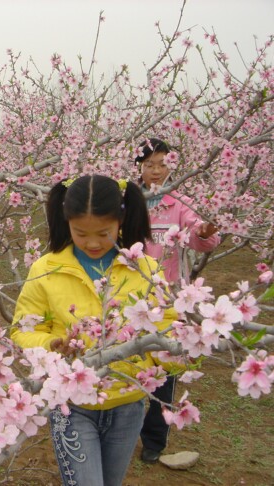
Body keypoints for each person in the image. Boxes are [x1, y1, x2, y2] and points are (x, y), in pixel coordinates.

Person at [11, 175, 176, 486]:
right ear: (66, 222)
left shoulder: (145, 269)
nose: (93, 243)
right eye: (80, 233)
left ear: (121, 220)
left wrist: (163, 361)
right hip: (71, 405)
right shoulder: (46, 269)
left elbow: (167, 328)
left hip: (127, 402)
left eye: (104, 233)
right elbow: (23, 329)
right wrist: (51, 344)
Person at [135, 138, 221, 463]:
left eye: (162, 164)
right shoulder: (130, 201)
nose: (156, 171)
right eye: (149, 165)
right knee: (130, 363)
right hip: (132, 299)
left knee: (166, 369)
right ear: (139, 167)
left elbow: (203, 238)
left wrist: (204, 231)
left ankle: (154, 440)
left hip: (170, 300)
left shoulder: (180, 202)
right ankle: (124, 428)